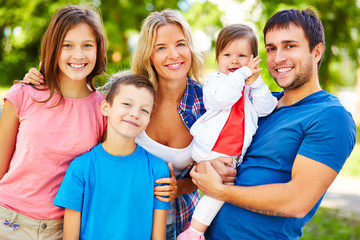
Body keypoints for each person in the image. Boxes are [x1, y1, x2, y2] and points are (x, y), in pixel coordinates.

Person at [22, 9, 237, 239]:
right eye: (161, 47)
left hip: (180, 222)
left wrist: (180, 187)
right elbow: (77, 95)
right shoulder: (127, 90)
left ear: (191, 48)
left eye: (180, 44)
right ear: (149, 55)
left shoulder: (207, 104)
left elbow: (214, 171)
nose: (173, 55)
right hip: (117, 220)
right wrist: (42, 78)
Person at [190, 8, 357, 240]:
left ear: (317, 51)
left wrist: (220, 191)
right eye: (271, 48)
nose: (278, 58)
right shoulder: (259, 103)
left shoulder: (330, 117)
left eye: (290, 46)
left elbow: (297, 201)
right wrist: (208, 164)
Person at [0, 5, 107, 239]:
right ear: (53, 48)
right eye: (67, 45)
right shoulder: (23, 95)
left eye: (87, 45)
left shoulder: (104, 110)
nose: (78, 55)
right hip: (8, 222)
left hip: (65, 229)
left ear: (98, 50)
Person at [178, 24, 277, 240]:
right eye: (228, 54)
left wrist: (256, 82)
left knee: (218, 194)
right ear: (218, 57)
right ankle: (193, 232)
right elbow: (222, 98)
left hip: (228, 156)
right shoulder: (216, 81)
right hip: (209, 149)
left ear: (253, 59)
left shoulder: (251, 88)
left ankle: (194, 230)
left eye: (242, 56)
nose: (234, 60)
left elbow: (266, 107)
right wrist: (242, 73)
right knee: (218, 190)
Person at [53, 74, 170, 239]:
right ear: (106, 108)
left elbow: (158, 237)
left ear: (149, 119)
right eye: (127, 104)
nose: (135, 114)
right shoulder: (81, 168)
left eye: (144, 110)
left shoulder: (158, 170)